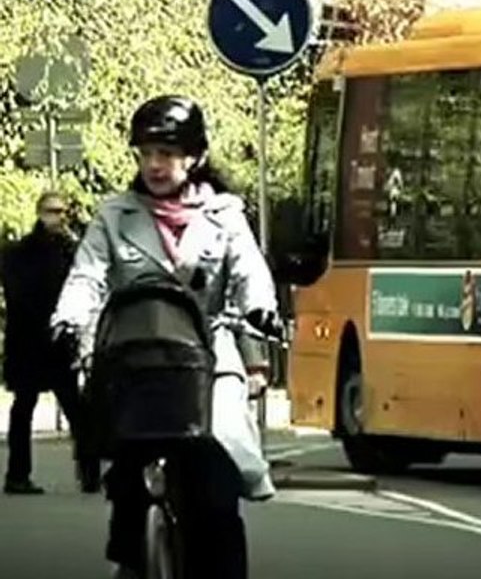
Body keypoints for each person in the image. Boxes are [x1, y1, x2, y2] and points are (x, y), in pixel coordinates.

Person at [49, 95, 282, 579]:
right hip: (133, 355)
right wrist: (69, 319)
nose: (154, 165)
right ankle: (132, 557)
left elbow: (250, 274)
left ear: (194, 157)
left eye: (167, 153)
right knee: (127, 477)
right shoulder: (114, 215)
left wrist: (262, 310)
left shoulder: (225, 215)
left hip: (207, 354)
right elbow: (86, 276)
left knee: (219, 476)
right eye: (145, 153)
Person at [2, 190, 100, 495]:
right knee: (23, 408)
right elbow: (16, 293)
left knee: (77, 410)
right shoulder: (19, 252)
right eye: (50, 211)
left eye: (60, 212)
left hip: (59, 344)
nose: (55, 218)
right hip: (28, 341)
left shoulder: (70, 250)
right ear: (38, 212)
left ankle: (90, 473)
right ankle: (18, 475)